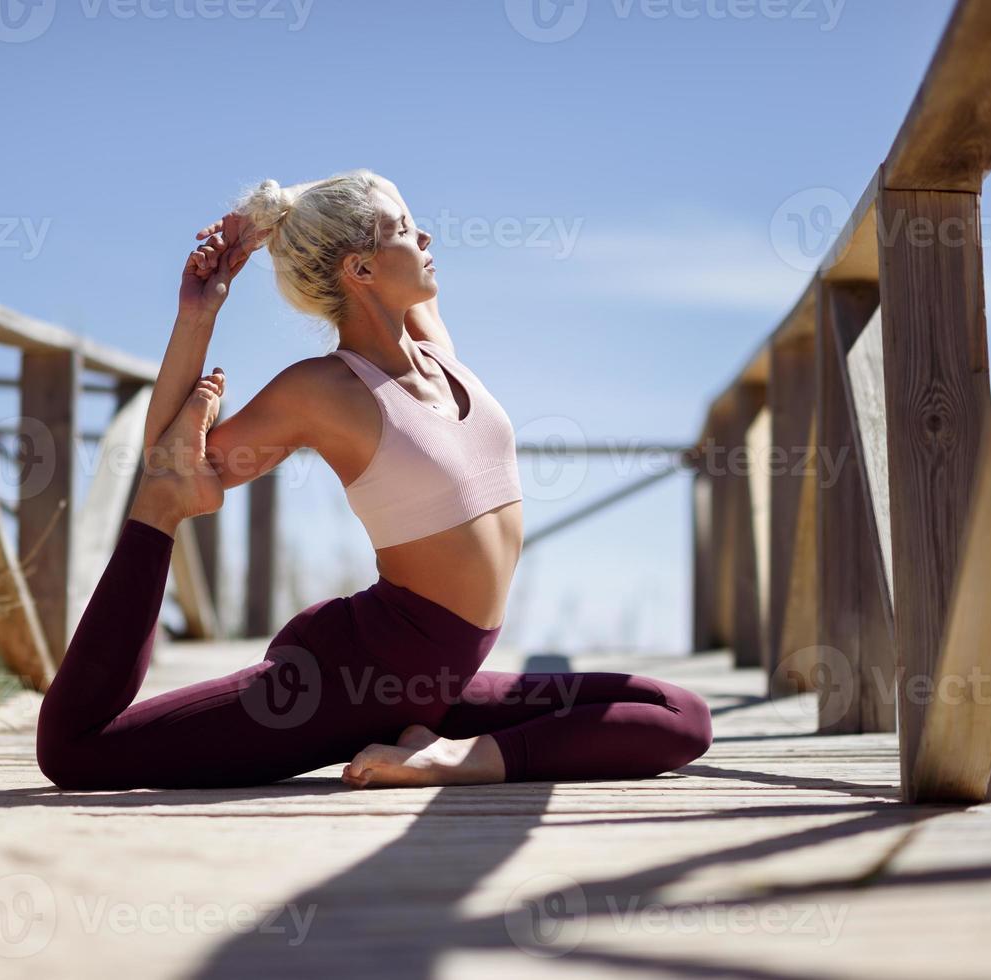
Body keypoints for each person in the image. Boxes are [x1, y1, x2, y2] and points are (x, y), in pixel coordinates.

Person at [35, 171, 712, 790]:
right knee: (77, 752)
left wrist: (266, 217)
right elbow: (175, 464)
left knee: (677, 714)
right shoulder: (322, 391)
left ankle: (445, 749)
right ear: (359, 267)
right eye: (402, 230)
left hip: (438, 680)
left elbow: (351, 196)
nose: (424, 237)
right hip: (348, 681)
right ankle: (457, 758)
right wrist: (198, 314)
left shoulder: (435, 354)